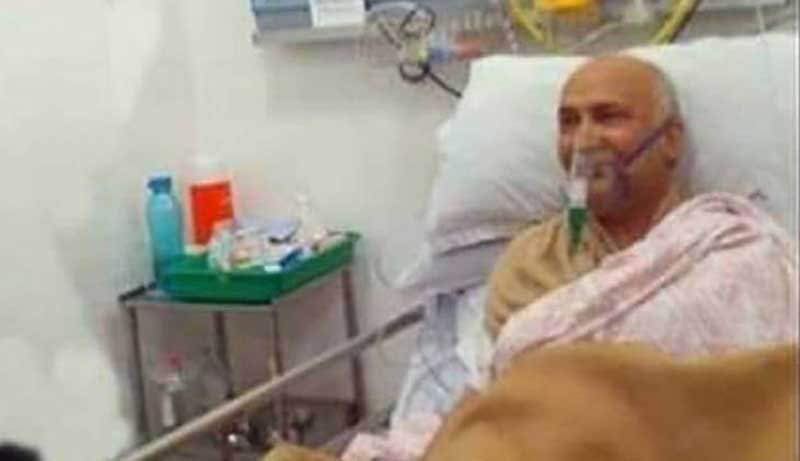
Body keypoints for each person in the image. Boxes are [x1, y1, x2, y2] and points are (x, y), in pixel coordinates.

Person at [485, 54, 688, 339]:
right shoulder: (530, 264)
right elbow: (519, 363)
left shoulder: (725, 243)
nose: (583, 142)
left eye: (608, 117)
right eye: (569, 122)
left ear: (671, 140)